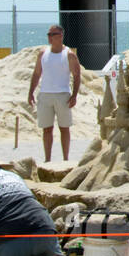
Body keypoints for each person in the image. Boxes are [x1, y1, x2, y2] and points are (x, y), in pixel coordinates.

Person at [27, 25, 81, 161]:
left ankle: (65, 158)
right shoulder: (43, 53)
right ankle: (47, 159)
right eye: (48, 34)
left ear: (61, 35)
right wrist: (31, 92)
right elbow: (37, 73)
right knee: (46, 128)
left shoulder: (69, 55)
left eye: (53, 34)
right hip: (45, 94)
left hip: (63, 94)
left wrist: (74, 95)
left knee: (64, 128)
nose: (49, 37)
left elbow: (77, 75)